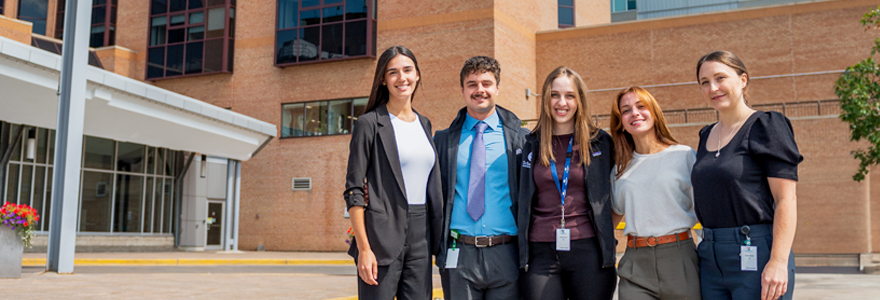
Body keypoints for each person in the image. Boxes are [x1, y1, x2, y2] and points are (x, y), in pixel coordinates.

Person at [692, 50, 802, 300]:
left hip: (756, 250)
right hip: (709, 256)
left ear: (743, 80)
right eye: (704, 82)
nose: (713, 88)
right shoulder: (705, 135)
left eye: (721, 78)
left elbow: (787, 199)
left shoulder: (766, 125)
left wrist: (778, 260)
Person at [343, 45, 443, 300]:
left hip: (422, 235)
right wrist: (364, 249)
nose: (402, 78)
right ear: (383, 80)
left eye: (407, 70)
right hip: (381, 235)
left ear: (417, 75)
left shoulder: (425, 123)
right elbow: (354, 189)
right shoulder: (368, 124)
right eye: (393, 72)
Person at [517, 66, 617, 300]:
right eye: (555, 95)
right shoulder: (531, 143)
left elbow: (617, 190)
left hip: (589, 249)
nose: (561, 102)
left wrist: (605, 228)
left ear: (579, 100)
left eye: (569, 95)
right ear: (546, 99)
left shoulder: (600, 142)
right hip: (540, 251)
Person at [434, 56, 528, 300]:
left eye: (486, 83)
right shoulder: (443, 141)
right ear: (463, 90)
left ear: (498, 88)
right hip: (459, 252)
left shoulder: (521, 139)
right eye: (472, 84)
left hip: (506, 253)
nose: (480, 90)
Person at [609, 86, 701, 300]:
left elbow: (705, 211)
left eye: (641, 106)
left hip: (680, 260)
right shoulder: (619, 168)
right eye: (626, 110)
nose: (635, 113)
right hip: (635, 265)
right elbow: (613, 216)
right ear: (620, 121)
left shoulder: (684, 156)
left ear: (655, 112)